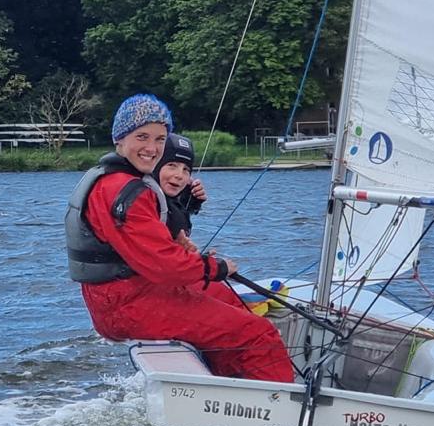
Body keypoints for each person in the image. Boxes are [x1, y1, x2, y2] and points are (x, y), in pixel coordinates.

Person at [66, 94, 293, 383]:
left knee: (227, 297)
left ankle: (229, 384)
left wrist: (184, 242)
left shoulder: (115, 180)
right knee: (259, 334)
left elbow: (148, 247)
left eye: (160, 139)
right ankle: (280, 402)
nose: (152, 148)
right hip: (128, 305)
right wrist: (216, 267)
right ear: (119, 139)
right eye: (142, 137)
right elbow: (166, 266)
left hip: (123, 297)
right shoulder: (125, 191)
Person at [154, 131, 206, 248]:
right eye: (172, 165)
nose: (179, 175)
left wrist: (189, 202)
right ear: (155, 166)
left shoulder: (171, 202)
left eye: (186, 169)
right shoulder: (142, 200)